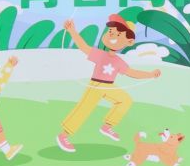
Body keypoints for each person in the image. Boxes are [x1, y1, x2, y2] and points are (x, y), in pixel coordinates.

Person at [56, 13, 160, 152]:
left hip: (109, 86)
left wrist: (150, 74)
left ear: (129, 42)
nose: (113, 36)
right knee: (84, 109)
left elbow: (132, 73)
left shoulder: (118, 61)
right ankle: (64, 135)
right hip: (96, 85)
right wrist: (72, 30)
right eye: (111, 32)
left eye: (118, 35)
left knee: (125, 100)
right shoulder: (100, 55)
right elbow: (83, 47)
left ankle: (107, 126)